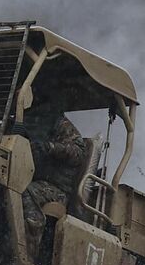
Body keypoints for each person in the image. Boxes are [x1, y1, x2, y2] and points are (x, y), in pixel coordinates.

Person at [13, 90, 88, 248]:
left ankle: (27, 249)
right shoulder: (30, 120)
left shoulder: (60, 124)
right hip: (28, 175)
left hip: (57, 189)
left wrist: (51, 147)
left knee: (27, 193)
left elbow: (78, 152)